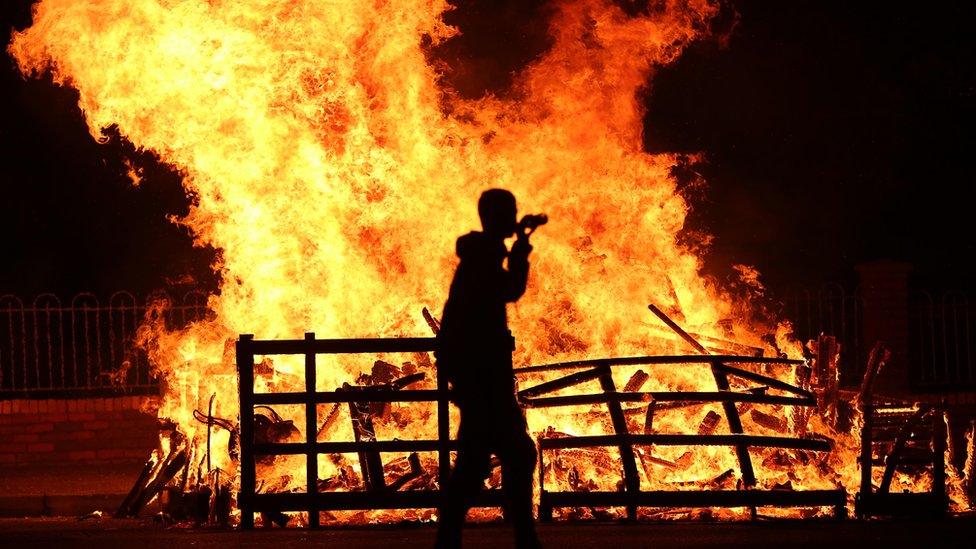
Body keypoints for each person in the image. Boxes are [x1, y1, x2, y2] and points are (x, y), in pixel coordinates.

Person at [434, 189, 542, 549]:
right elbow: (511, 290)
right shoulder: (480, 262)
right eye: (509, 212)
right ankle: (519, 538)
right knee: (498, 458)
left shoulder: (482, 256)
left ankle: (454, 539)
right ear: (495, 217)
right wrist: (522, 250)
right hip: (483, 381)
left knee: (486, 460)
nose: (514, 218)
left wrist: (520, 245)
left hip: (481, 379)